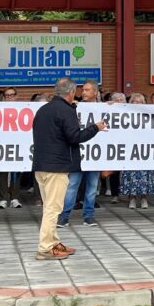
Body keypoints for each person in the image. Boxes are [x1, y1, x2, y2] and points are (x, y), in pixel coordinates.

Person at [31, 78, 106, 260]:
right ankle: (46, 248)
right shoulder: (65, 111)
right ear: (71, 92)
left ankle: (54, 242)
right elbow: (75, 137)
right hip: (56, 167)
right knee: (53, 209)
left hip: (41, 165)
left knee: (50, 207)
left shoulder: (44, 109)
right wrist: (95, 128)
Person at [59, 81, 103, 227]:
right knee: (72, 185)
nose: (83, 92)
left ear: (95, 92)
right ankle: (64, 216)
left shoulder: (103, 108)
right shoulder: (74, 106)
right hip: (78, 153)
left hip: (95, 154)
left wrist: (112, 104)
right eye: (83, 90)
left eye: (87, 90)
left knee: (92, 187)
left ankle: (89, 216)